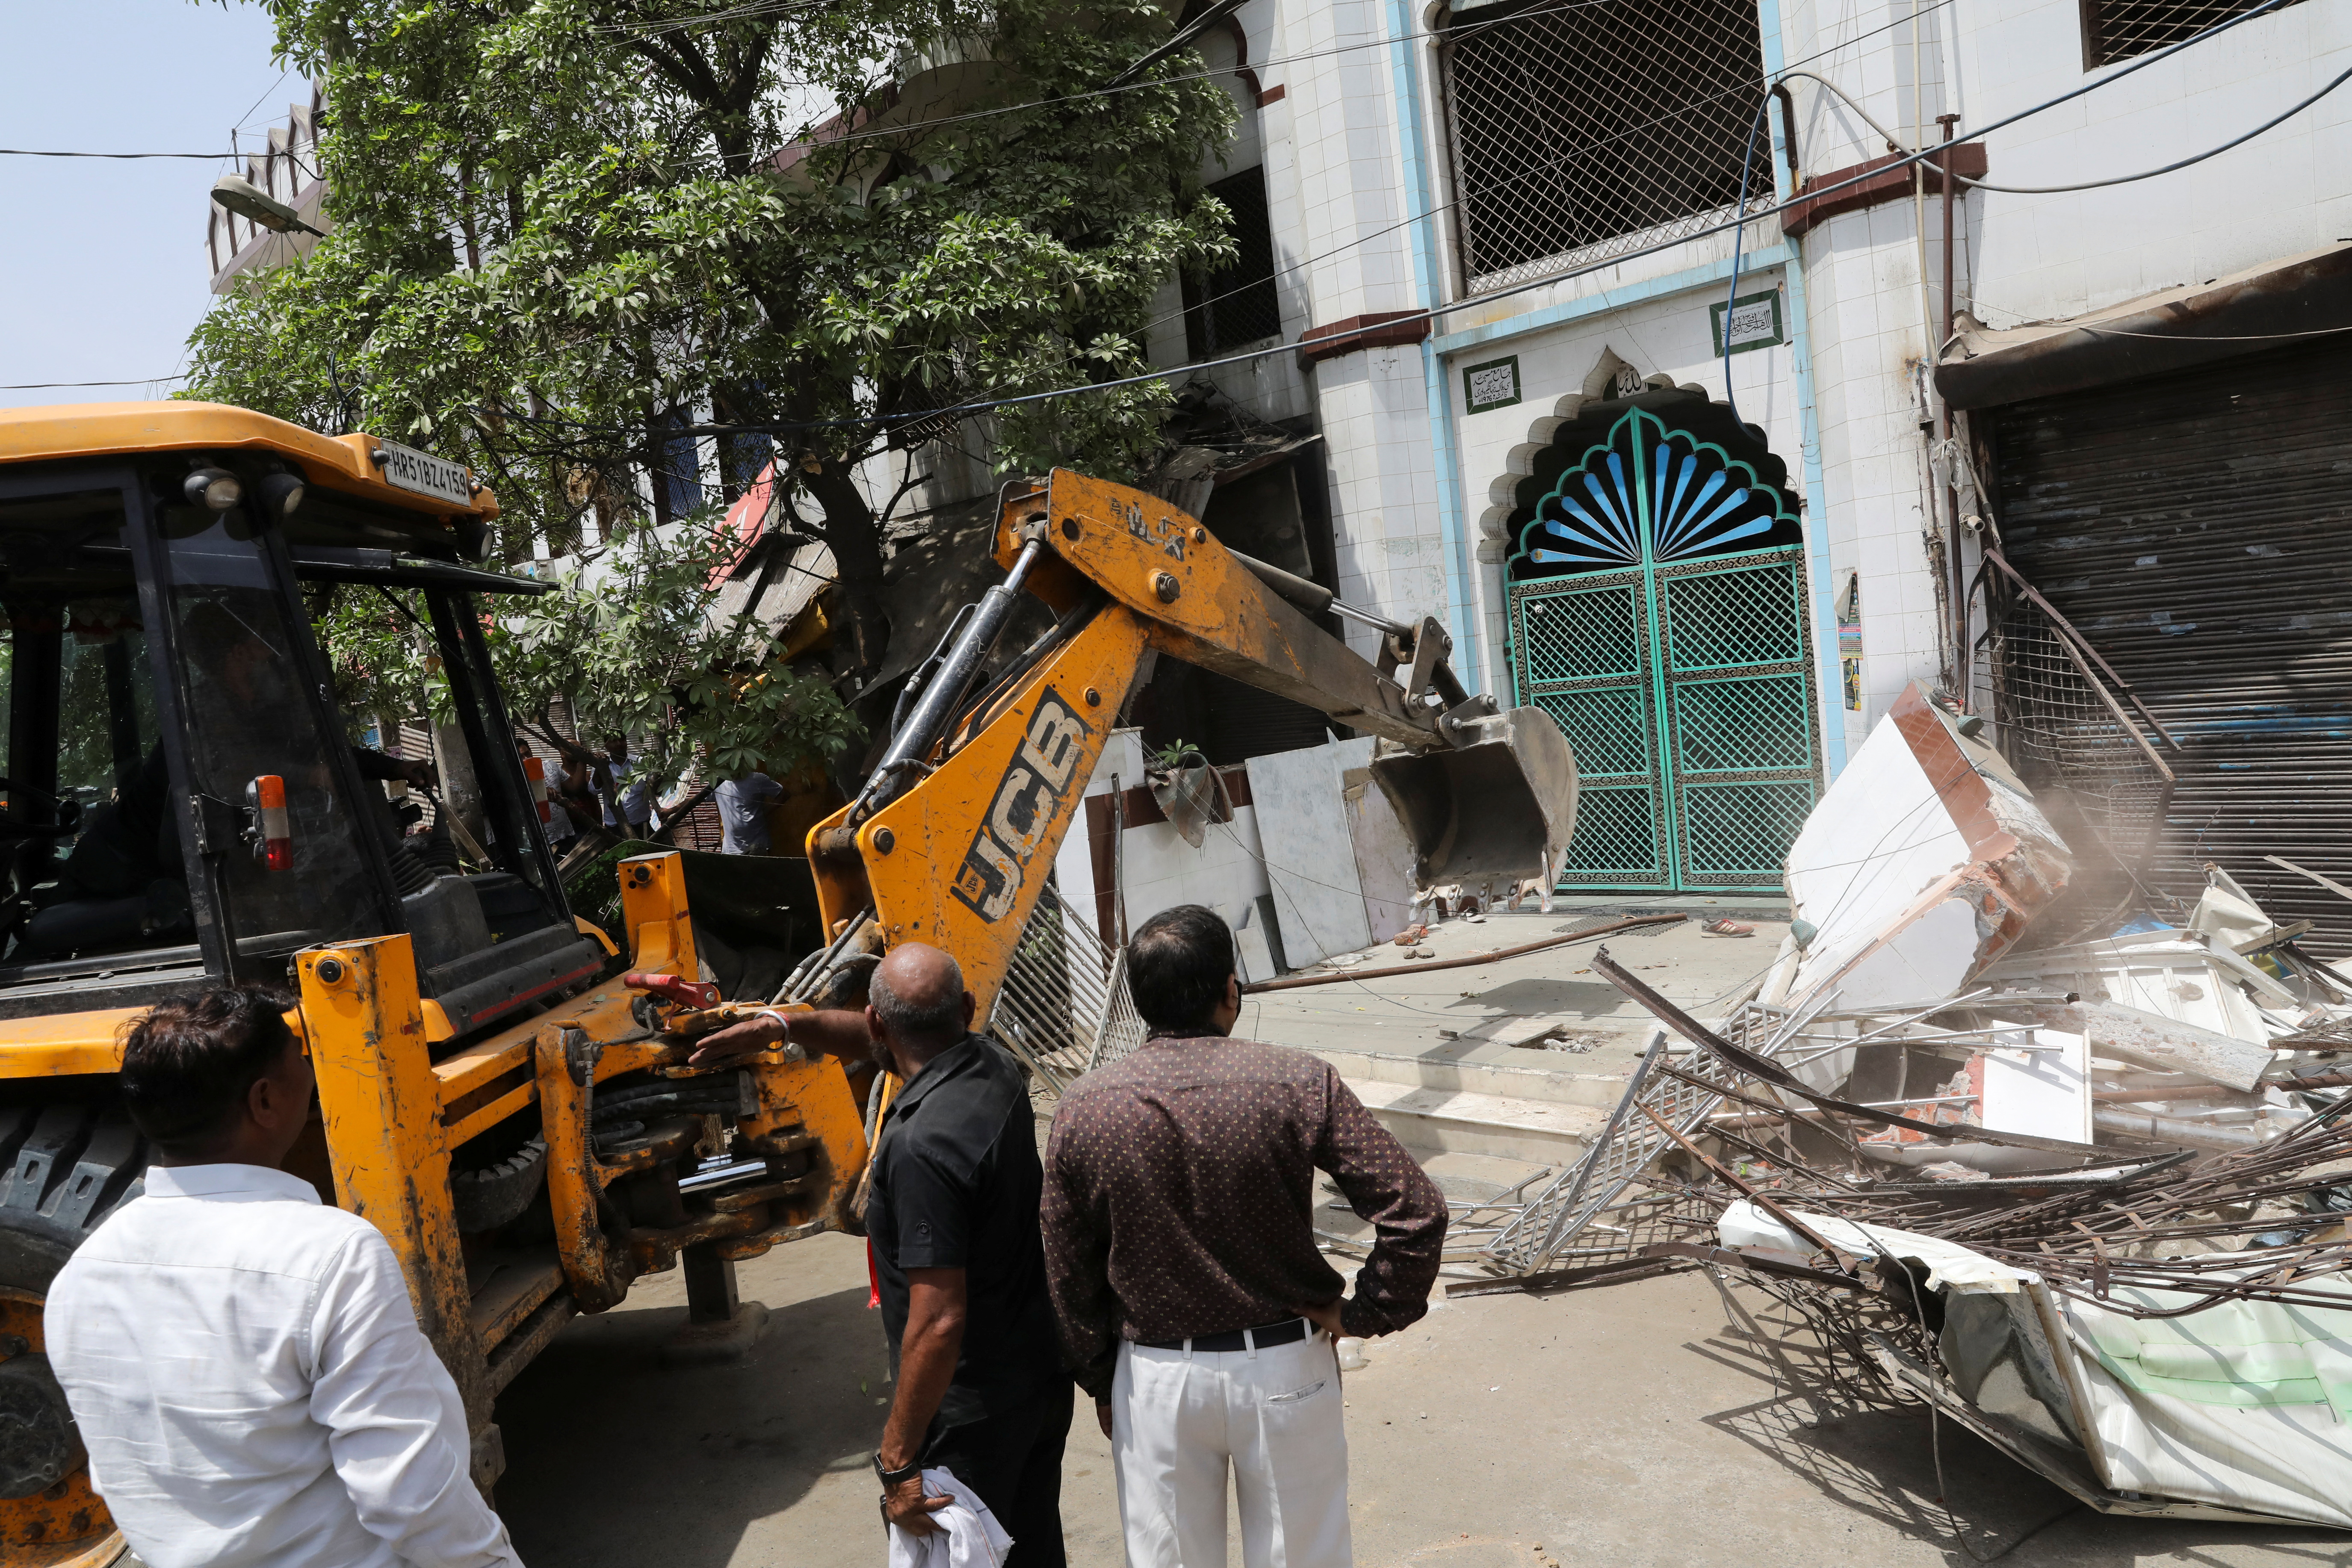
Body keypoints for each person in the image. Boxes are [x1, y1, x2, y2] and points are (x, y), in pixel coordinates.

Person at [44, 987, 522, 1568]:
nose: (312, 1072)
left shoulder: (83, 1272)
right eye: (301, 1055)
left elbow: (122, 1468)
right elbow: (407, 1489)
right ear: (265, 1100)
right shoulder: (333, 1253)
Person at [1041, 905, 1448, 1568]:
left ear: (1140, 1002)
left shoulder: (1085, 1104)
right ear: (1230, 990)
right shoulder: (1298, 1079)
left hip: (1155, 1381)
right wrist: (1365, 1311)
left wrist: (1098, 1377)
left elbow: (1066, 1269)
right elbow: (1417, 1211)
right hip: (1286, 1369)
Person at [852, 946, 1070, 1563]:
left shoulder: (922, 1146)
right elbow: (899, 1032)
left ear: (877, 1024)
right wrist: (787, 1024)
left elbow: (939, 1318)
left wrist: (897, 1459)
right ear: (968, 1009)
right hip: (1034, 1378)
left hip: (969, 1415)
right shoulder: (995, 1065)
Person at [714, 766, 784, 855]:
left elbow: (783, 794)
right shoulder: (717, 783)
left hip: (759, 846)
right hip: (731, 850)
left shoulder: (757, 780)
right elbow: (699, 798)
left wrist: (766, 811)